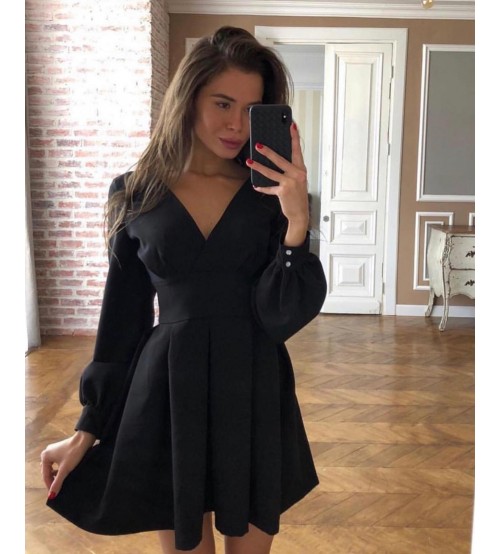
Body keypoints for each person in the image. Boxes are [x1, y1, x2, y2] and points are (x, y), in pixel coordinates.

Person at [40, 26, 327, 554]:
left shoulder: (273, 195)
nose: (237, 124)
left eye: (252, 109)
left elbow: (283, 316)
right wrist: (87, 428)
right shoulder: (136, 191)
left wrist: (297, 223)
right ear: (189, 97)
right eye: (223, 103)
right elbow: (121, 323)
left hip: (254, 390)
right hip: (169, 394)